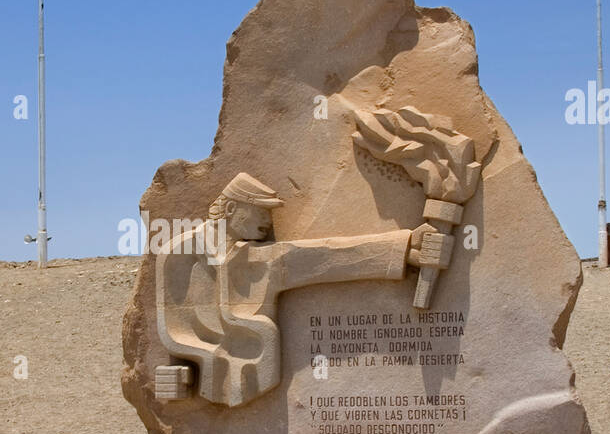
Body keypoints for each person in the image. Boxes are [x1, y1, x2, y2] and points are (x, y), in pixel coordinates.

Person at [155, 172, 451, 408]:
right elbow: (175, 326)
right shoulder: (181, 253)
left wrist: (405, 247)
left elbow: (324, 256)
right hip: (213, 375)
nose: (267, 222)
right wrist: (188, 363)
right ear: (231, 208)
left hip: (258, 372)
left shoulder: (259, 258)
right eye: (259, 212)